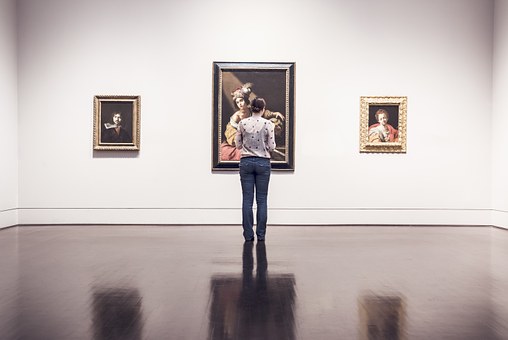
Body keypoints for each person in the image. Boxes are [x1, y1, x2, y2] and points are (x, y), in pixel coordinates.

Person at [235, 97, 276, 242]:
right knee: (262, 200)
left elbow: (238, 145)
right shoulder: (268, 124)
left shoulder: (242, 123)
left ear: (251, 108)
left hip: (245, 162)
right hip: (263, 163)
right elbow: (272, 147)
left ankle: (248, 235)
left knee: (247, 200)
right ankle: (261, 235)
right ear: (263, 109)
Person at [220, 83, 285, 161]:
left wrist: (275, 113)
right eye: (237, 102)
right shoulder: (236, 116)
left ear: (246, 100)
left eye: (241, 100)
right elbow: (232, 135)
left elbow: (264, 113)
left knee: (273, 123)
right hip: (240, 140)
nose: (240, 104)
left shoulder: (251, 109)